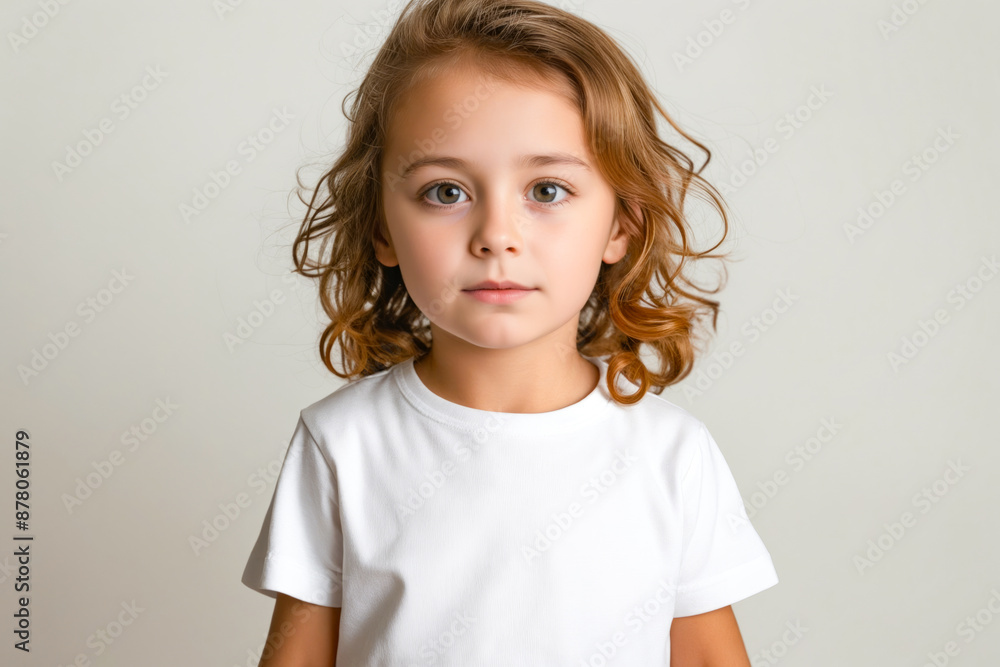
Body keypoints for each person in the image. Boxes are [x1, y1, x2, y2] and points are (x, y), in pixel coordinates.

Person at [241, 0, 779, 664]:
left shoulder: (673, 455)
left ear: (620, 225)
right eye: (445, 191)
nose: (496, 235)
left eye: (547, 190)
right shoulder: (342, 443)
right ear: (381, 224)